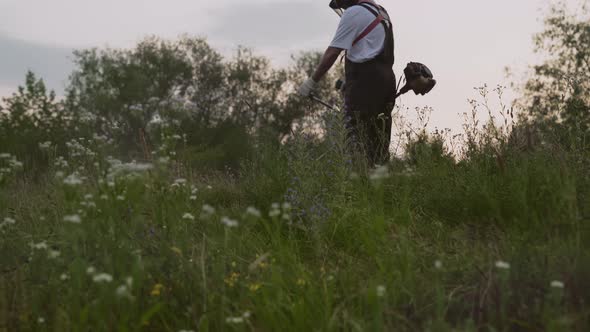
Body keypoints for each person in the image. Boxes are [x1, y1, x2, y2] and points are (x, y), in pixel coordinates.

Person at [298, 0, 396, 165]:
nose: (343, 9)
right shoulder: (382, 12)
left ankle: (359, 185)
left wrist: (312, 82)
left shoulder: (354, 12)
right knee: (379, 145)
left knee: (356, 142)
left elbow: (332, 52)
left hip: (365, 83)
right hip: (386, 82)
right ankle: (380, 185)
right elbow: (371, 52)